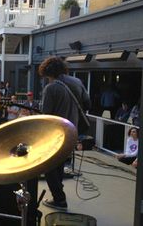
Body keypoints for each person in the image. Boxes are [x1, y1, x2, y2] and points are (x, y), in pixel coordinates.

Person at [38, 57, 91, 211]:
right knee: (60, 163)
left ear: (47, 71)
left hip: (55, 134)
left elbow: (46, 116)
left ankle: (60, 200)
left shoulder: (51, 88)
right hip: (72, 132)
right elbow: (87, 104)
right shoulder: (77, 82)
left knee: (48, 167)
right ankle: (57, 195)